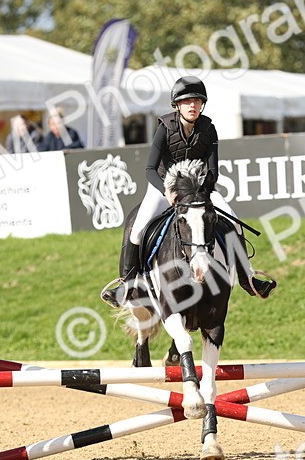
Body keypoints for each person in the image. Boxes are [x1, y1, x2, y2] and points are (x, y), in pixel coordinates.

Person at [100, 75, 276, 307]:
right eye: (187, 101)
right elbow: (150, 169)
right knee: (137, 229)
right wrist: (168, 192)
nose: (192, 105)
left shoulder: (208, 128)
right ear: (177, 105)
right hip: (165, 189)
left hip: (200, 191)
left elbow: (212, 170)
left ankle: (248, 278)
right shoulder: (165, 128)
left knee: (233, 223)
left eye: (197, 101)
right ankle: (127, 285)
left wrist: (202, 193)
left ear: (202, 105)